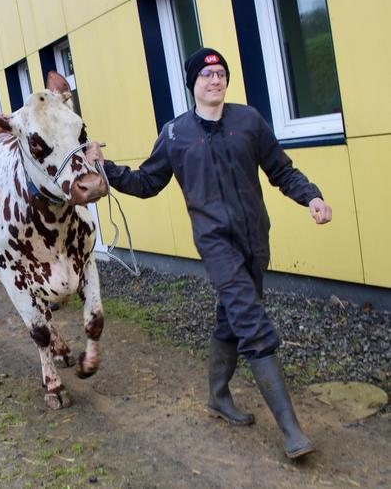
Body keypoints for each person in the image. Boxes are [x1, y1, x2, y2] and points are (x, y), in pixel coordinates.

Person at [86, 47, 332, 459]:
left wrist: (312, 197)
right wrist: (106, 168)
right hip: (215, 243)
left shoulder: (248, 121)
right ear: (193, 84)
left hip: (255, 238)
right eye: (206, 75)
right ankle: (292, 432)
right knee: (252, 322)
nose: (214, 80)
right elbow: (148, 182)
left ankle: (218, 396)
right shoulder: (176, 134)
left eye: (220, 74)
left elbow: (281, 170)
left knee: (232, 316)